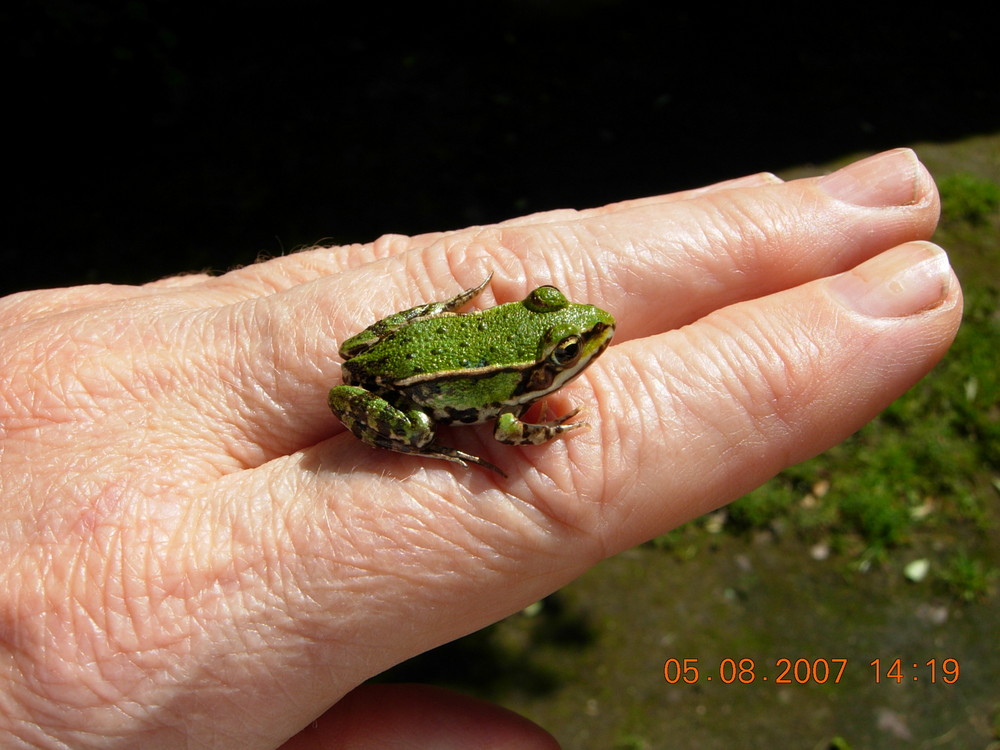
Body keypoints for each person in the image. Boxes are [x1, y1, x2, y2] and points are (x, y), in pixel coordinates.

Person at [0, 148, 960, 749]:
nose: (585, 333)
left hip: (409, 342)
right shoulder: (517, 394)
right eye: (563, 348)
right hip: (411, 389)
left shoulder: (534, 319)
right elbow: (500, 421)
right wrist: (503, 432)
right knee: (430, 430)